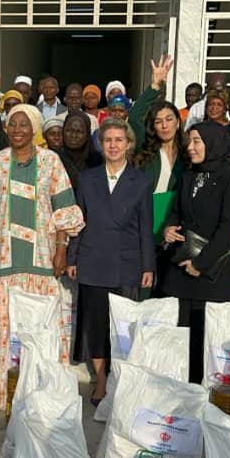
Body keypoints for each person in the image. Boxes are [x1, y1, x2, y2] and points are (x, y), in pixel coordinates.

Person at [0, 104, 84, 409]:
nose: (18, 130)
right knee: (3, 329)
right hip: (6, 261)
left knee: (41, 332)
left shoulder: (51, 162)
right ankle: (0, 394)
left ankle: (44, 392)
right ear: (6, 130)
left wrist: (62, 249)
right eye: (12, 125)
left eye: (24, 125)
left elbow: (63, 209)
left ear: (34, 129)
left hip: (43, 259)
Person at [67, 117, 154, 404]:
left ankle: (122, 380)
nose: (113, 145)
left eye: (119, 140)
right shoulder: (88, 178)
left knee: (122, 326)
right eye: (108, 140)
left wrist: (148, 266)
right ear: (100, 144)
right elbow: (79, 221)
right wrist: (72, 256)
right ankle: (102, 379)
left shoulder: (141, 180)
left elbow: (145, 227)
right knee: (96, 324)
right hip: (92, 260)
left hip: (126, 264)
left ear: (129, 144)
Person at [161, 121, 230, 382]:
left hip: (209, 273)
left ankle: (198, 392)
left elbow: (227, 229)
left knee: (203, 338)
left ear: (213, 143)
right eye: (190, 141)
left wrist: (200, 263)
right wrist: (168, 229)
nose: (191, 147)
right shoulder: (188, 173)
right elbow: (176, 210)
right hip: (181, 266)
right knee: (179, 335)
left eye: (197, 141)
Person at [58, 110, 102, 190]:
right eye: (69, 131)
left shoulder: (97, 160)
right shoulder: (54, 158)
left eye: (79, 132)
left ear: (87, 134)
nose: (73, 136)